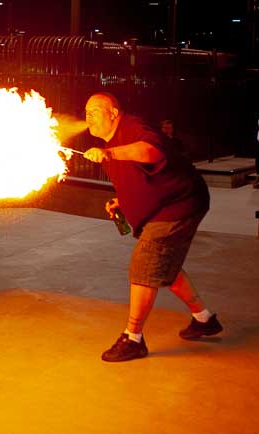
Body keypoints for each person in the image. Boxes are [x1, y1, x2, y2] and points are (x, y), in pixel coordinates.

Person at [82, 93, 221, 363]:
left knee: (145, 265)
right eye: (86, 112)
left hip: (178, 204)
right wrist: (123, 201)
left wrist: (110, 153)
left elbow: (150, 151)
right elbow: (138, 176)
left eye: (94, 110)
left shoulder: (132, 127)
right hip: (167, 206)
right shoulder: (111, 141)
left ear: (113, 113)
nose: (88, 117)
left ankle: (133, 339)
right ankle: (205, 320)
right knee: (165, 266)